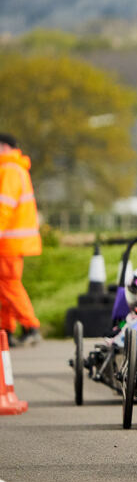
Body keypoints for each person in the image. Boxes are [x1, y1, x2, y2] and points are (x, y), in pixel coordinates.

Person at [0, 133, 43, 347]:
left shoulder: (8, 169)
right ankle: (6, 330)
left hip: (8, 241)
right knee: (4, 286)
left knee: (9, 285)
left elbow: (3, 206)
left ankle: (30, 326)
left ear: (4, 147)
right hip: (13, 241)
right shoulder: (17, 168)